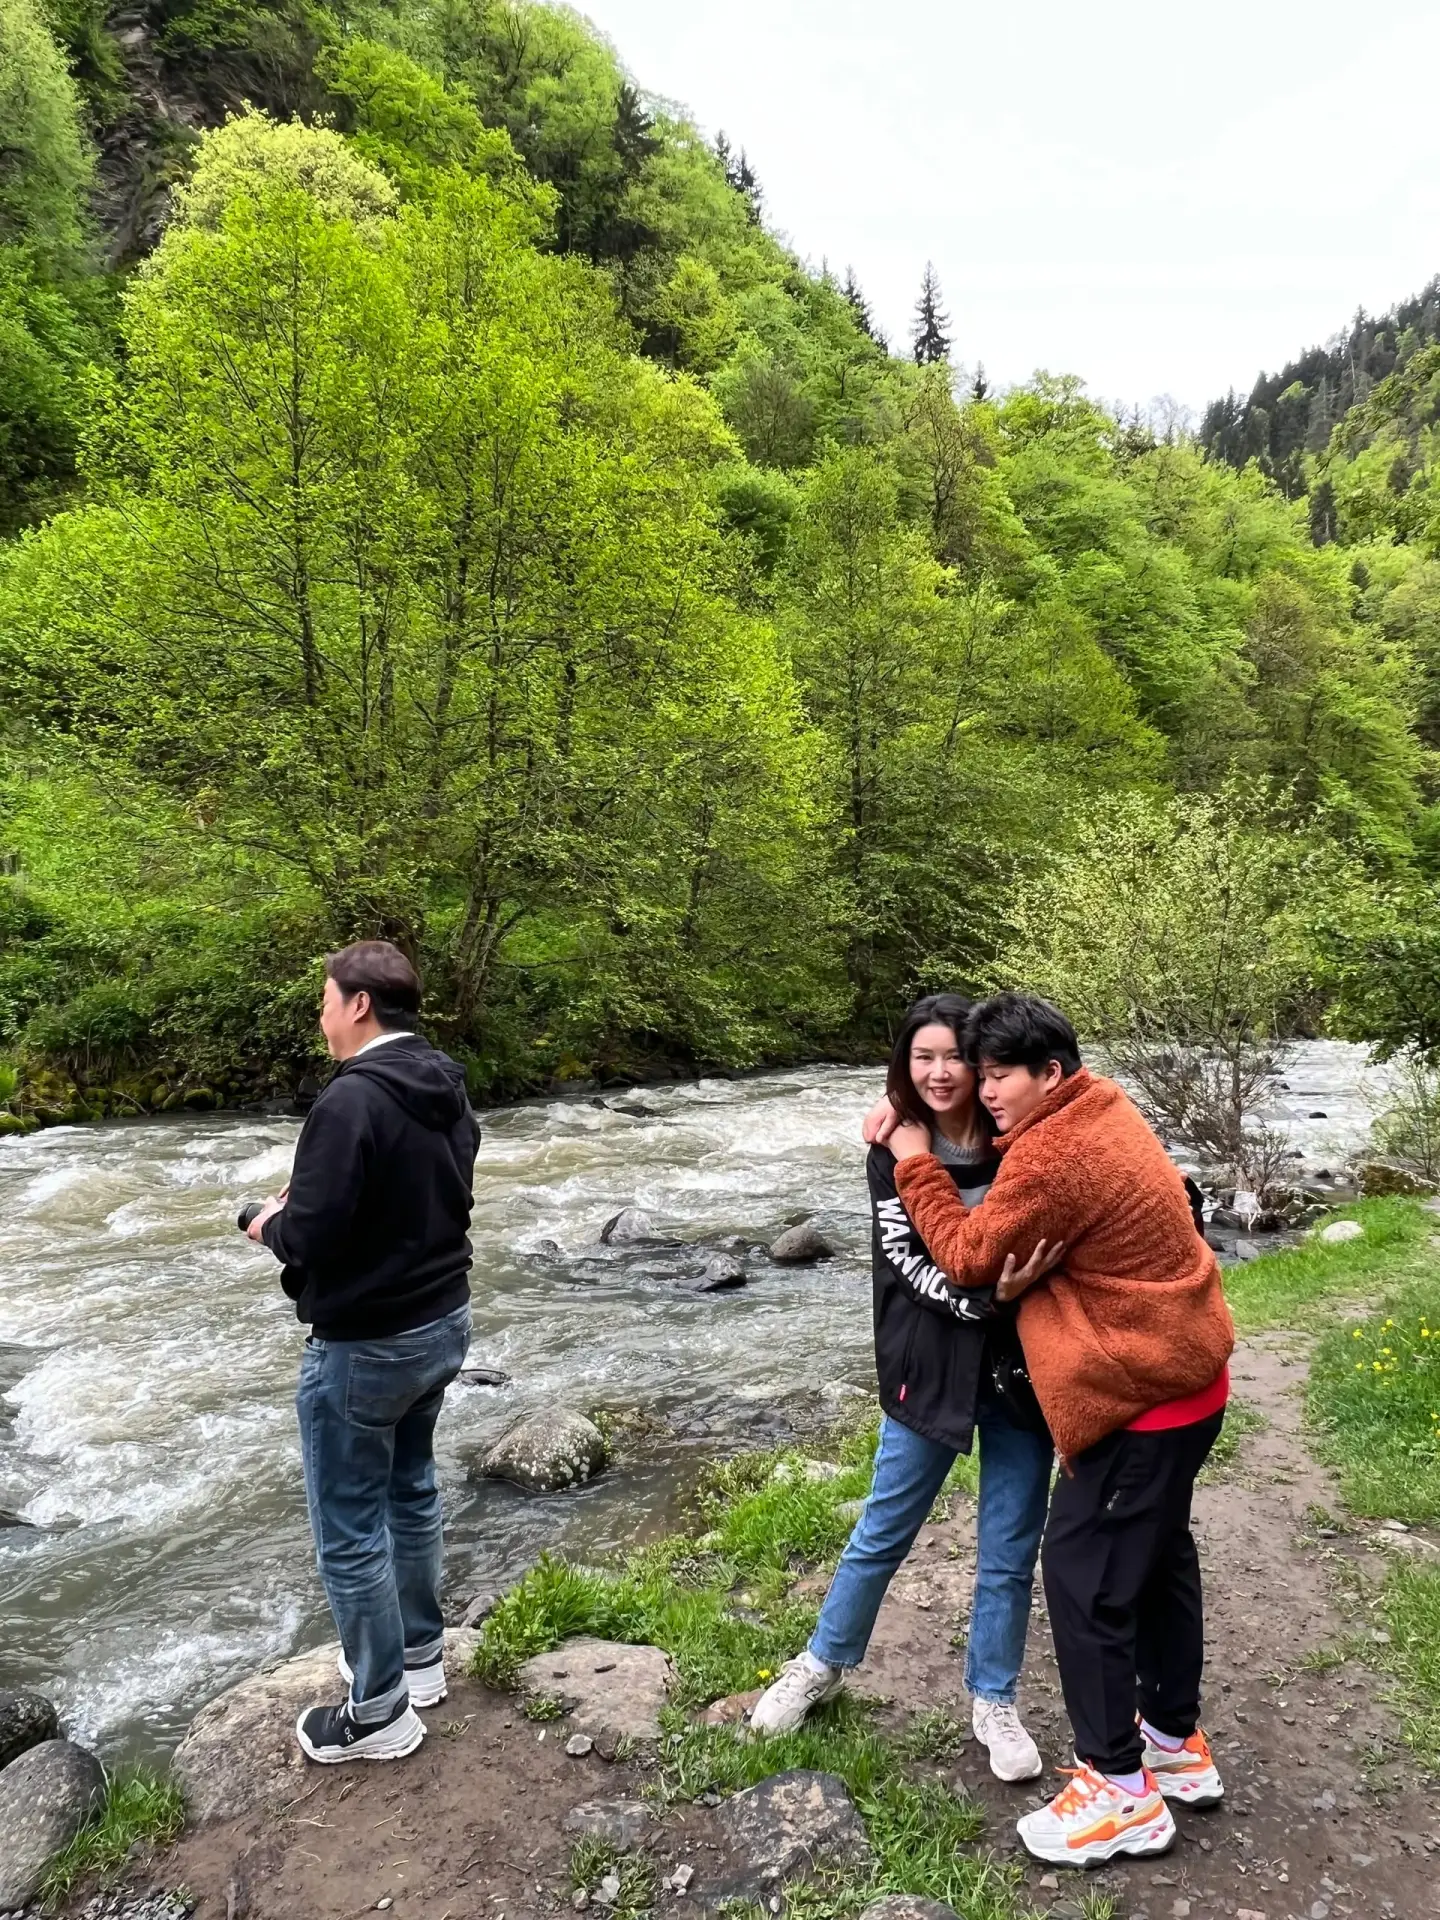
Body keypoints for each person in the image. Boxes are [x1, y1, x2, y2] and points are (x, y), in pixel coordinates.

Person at [868, 992, 1233, 1867]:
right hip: (1192, 1376)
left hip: (1136, 1394)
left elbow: (966, 1257)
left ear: (1050, 1075)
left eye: (998, 1077)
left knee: (1084, 1580)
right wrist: (920, 1104)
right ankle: (1174, 1745)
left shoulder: (1054, 1157)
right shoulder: (1104, 1105)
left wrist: (915, 1155)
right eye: (977, 1075)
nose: (985, 1093)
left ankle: (1116, 1791)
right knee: (1158, 1559)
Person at [750, 994, 1063, 1781]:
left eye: (953, 1057)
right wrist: (987, 1299)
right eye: (921, 1058)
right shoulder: (892, 1145)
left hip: (1024, 1368)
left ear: (982, 1062)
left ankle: (994, 1699)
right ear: (905, 1065)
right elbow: (906, 1259)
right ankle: (821, 1663)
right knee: (883, 1527)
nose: (939, 1072)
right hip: (927, 1362)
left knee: (1009, 1545)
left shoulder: (1019, 1134)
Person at [247, 940, 479, 1765]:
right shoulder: (444, 1084)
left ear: (358, 1006)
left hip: (366, 1344)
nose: (319, 1013)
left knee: (349, 1528)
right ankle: (420, 1661)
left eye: (324, 998)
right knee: (411, 1490)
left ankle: (379, 1711)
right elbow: (421, 1201)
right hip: (441, 1322)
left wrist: (265, 1219)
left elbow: (311, 1237)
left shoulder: (349, 1104)